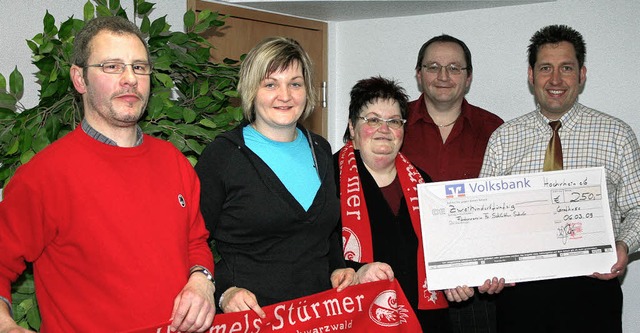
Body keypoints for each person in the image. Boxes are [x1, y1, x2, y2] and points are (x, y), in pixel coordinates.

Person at [0, 16, 215, 333]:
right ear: (80, 79)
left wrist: (201, 280)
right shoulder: (44, 176)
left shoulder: (175, 162)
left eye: (139, 67)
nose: (130, 78)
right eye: (112, 67)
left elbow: (195, 242)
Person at [480, 24, 640, 333]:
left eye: (566, 68)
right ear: (531, 75)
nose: (555, 79)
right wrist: (486, 267)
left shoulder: (617, 134)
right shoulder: (503, 138)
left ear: (582, 74)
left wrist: (623, 244)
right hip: (520, 296)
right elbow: (487, 220)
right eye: (545, 68)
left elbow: (638, 208)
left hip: (594, 289)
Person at [195, 37, 357, 318]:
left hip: (318, 317)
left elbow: (326, 233)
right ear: (251, 90)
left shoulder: (320, 149)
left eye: (295, 83)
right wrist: (224, 290)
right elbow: (191, 240)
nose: (285, 95)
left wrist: (340, 267)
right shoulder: (224, 155)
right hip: (252, 318)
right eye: (270, 84)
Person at [335, 76, 476, 332]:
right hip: (357, 320)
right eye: (373, 119)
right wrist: (355, 271)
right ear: (353, 127)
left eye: (394, 121)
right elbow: (312, 254)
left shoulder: (423, 183)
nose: (384, 129)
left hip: (424, 322)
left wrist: (453, 279)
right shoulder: (328, 178)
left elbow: (444, 251)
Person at [400, 34, 504, 332]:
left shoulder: (495, 129)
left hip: (475, 290)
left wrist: (499, 269)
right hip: (407, 281)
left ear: (468, 77)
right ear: (419, 75)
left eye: (455, 68)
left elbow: (504, 212)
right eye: (433, 66)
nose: (443, 76)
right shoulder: (393, 124)